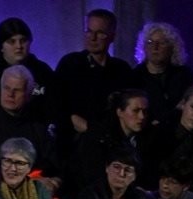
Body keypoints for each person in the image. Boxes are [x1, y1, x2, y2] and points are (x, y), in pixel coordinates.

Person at [53, 9, 133, 156]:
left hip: (111, 147)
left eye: (100, 33)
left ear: (112, 36)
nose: (93, 38)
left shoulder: (122, 70)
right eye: (89, 31)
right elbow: (56, 105)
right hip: (73, 147)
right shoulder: (70, 64)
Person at [0, 65, 61, 184]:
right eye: (6, 88)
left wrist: (55, 182)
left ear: (28, 95)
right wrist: (30, 183)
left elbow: (54, 166)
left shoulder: (38, 126)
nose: (10, 94)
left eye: (17, 90)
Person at [72, 89, 155, 193]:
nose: (142, 116)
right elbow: (91, 177)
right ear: (120, 112)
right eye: (135, 111)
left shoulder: (150, 138)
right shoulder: (99, 138)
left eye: (145, 111)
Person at [0, 17, 55, 124]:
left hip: (37, 128)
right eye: (12, 41)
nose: (19, 46)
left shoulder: (43, 71)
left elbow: (53, 107)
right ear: (1, 47)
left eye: (23, 40)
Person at [131, 22, 193, 127]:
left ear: (172, 47)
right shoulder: (134, 76)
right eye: (150, 42)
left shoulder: (184, 75)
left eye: (162, 43)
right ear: (144, 47)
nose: (155, 47)